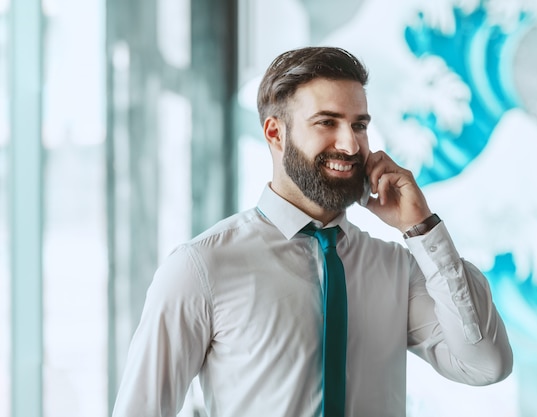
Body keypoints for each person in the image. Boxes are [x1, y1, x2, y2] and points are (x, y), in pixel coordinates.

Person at [112, 46, 513, 417]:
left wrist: (422, 227)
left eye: (359, 125)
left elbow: (485, 365)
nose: (351, 145)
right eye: (327, 122)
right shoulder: (202, 267)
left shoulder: (396, 269)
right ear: (275, 133)